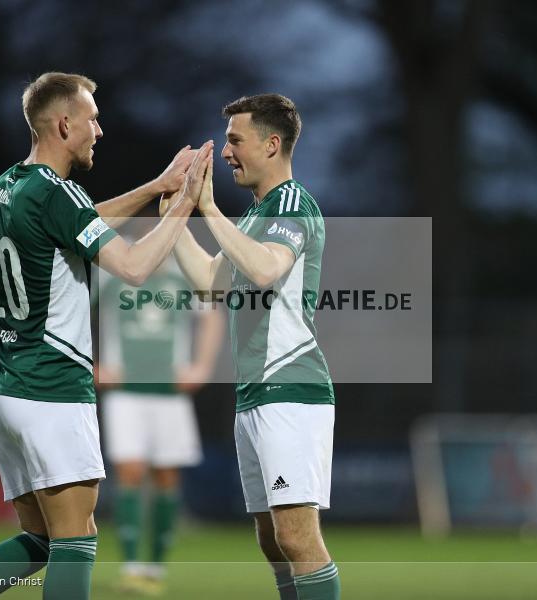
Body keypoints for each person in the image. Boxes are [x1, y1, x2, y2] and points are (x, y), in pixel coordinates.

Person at [0, 71, 212, 600]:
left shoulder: (7, 185)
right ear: (64, 123)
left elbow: (73, 223)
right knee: (75, 541)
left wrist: (157, 186)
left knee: (40, 540)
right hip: (51, 389)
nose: (99, 130)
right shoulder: (59, 194)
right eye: (92, 118)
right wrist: (182, 205)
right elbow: (132, 266)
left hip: (2, 388)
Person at [163, 94, 340, 600]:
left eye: (235, 141)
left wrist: (209, 208)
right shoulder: (257, 215)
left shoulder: (290, 202)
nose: (225, 153)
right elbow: (211, 283)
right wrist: (176, 218)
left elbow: (265, 269)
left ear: (272, 143)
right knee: (271, 539)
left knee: (296, 536)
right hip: (256, 394)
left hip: (291, 388)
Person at [96, 212, 225, 596]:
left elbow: (212, 315)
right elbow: (71, 307)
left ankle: (155, 566)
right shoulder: (111, 274)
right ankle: (134, 565)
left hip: (169, 392)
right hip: (125, 390)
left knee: (168, 476)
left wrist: (201, 366)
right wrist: (92, 361)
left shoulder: (181, 275)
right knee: (131, 471)